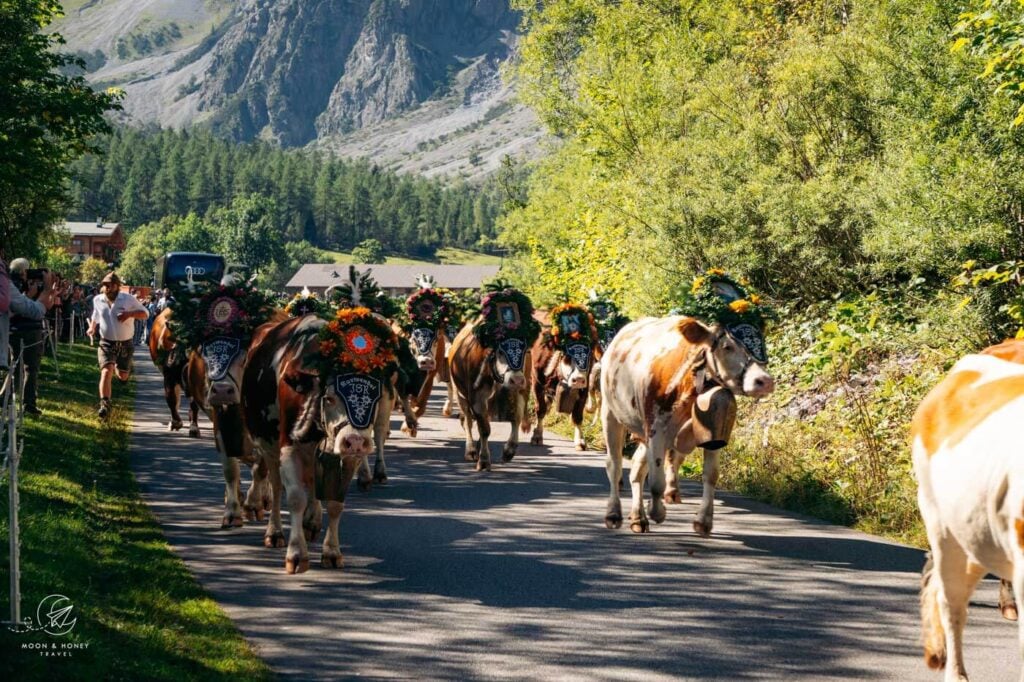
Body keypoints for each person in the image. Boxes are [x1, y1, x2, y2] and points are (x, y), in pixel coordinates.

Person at [87, 272, 148, 419]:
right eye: (104, 285)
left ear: (116, 286)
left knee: (122, 376)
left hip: (125, 343)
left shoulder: (128, 299)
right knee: (106, 372)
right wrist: (92, 327)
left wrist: (129, 314)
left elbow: (145, 313)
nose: (106, 288)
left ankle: (123, 370)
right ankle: (105, 404)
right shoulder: (98, 299)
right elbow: (96, 315)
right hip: (106, 342)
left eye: (109, 285)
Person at [9, 258, 56, 416]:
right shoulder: (13, 285)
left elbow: (46, 307)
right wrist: (32, 295)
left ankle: (25, 402)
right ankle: (16, 401)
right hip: (20, 330)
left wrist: (50, 291)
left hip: (30, 329)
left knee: (27, 368)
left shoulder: (26, 285)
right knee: (20, 367)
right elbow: (17, 308)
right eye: (27, 271)